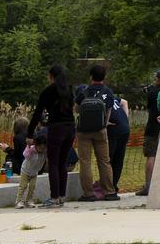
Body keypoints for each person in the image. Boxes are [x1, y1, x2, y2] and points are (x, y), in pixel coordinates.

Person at [28, 65, 76, 207]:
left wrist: (30, 133)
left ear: (51, 76)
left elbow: (38, 113)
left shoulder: (48, 91)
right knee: (63, 162)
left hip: (56, 128)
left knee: (53, 163)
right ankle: (61, 196)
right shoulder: (69, 89)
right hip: (70, 128)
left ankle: (54, 197)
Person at [74, 64, 119, 201]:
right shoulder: (108, 92)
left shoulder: (84, 92)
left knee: (85, 162)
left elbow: (76, 109)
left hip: (83, 131)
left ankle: (88, 194)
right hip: (100, 130)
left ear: (91, 77)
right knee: (104, 161)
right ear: (104, 77)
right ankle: (109, 191)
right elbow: (108, 112)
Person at [136, 69, 160, 197]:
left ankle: (149, 185)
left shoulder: (153, 92)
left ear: (158, 78)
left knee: (151, 155)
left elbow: (149, 107)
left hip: (153, 127)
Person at [14, 131, 47, 208]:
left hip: (34, 172)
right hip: (25, 171)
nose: (41, 149)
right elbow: (25, 155)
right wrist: (28, 147)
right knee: (23, 186)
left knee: (32, 186)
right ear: (35, 145)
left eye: (43, 147)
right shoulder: (31, 150)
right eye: (40, 147)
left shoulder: (44, 152)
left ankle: (29, 200)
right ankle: (18, 201)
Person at [107, 93, 131, 191]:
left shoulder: (96, 96)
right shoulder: (108, 94)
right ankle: (114, 185)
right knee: (118, 159)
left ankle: (108, 187)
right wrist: (125, 119)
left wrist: (105, 122)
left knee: (108, 159)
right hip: (125, 128)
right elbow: (124, 102)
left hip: (113, 127)